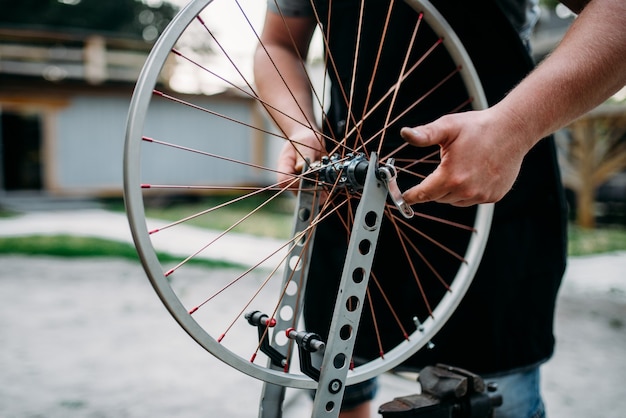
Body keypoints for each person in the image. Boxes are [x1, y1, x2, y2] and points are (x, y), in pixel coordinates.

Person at [253, 1, 626, 417]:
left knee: (496, 397)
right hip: (350, 199)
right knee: (339, 388)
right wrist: (301, 128)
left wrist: (514, 126)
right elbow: (278, 43)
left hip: (491, 201)